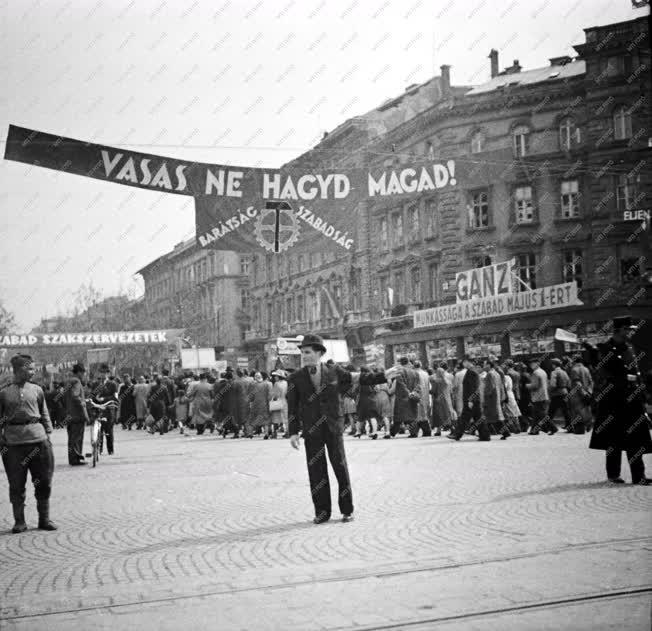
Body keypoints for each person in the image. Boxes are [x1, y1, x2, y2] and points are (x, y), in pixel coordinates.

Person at [287, 333, 390, 524]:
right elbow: (292, 407)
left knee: (340, 468)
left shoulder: (334, 371)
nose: (304, 356)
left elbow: (360, 378)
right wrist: (293, 432)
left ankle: (347, 510)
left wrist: (384, 375)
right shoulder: (295, 378)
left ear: (319, 353)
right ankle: (322, 512)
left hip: (334, 427)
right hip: (312, 431)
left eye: (308, 352)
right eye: (302, 352)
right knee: (316, 471)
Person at [583, 316, 651, 484]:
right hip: (614, 399)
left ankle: (639, 476)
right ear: (619, 330)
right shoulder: (605, 348)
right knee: (614, 439)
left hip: (632, 398)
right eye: (628, 329)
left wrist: (643, 396)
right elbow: (603, 371)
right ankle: (613, 475)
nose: (631, 332)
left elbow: (636, 373)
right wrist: (592, 351)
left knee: (635, 438)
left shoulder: (629, 347)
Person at [0, 355, 57, 533]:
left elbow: (44, 413)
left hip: (39, 441)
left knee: (44, 481)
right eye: (30, 369)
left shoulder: (37, 390)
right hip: (13, 444)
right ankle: (19, 521)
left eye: (34, 368)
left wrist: (48, 434)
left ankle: (44, 519)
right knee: (16, 484)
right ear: (18, 370)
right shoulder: (3, 393)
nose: (33, 372)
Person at [448, 355, 485, 441]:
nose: (463, 364)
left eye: (464, 362)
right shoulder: (472, 370)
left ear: (468, 361)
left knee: (465, 418)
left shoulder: (471, 371)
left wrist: (471, 400)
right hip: (473, 399)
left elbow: (473, 387)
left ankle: (457, 434)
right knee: (477, 418)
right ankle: (484, 435)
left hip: (471, 399)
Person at [64, 363, 90, 465]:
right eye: (83, 373)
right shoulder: (76, 381)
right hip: (77, 415)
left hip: (69, 414)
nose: (83, 375)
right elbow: (75, 396)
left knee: (72, 438)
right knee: (77, 438)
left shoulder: (69, 381)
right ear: (79, 372)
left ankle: (73, 458)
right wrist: (83, 403)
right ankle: (75, 459)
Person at [391, 357, 421, 438]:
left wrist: (408, 393)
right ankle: (414, 432)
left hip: (402, 398)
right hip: (412, 398)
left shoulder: (399, 372)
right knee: (411, 416)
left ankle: (393, 432)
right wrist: (414, 392)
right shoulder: (415, 372)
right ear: (408, 362)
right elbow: (418, 385)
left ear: (400, 363)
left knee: (398, 417)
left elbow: (401, 384)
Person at [526, 357, 556, 435]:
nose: (531, 366)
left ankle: (553, 427)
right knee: (536, 415)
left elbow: (535, 386)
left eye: (532, 364)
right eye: (530, 364)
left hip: (538, 396)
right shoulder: (543, 372)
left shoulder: (535, 373)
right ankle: (534, 430)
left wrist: (527, 386)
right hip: (544, 395)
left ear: (537, 364)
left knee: (541, 414)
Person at [481, 358, 510, 440]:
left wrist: (484, 397)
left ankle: (485, 435)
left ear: (489, 365)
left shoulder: (490, 374)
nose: (483, 366)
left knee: (486, 417)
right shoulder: (496, 373)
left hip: (490, 399)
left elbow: (489, 388)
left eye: (484, 364)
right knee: (496, 417)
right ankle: (505, 432)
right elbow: (501, 386)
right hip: (496, 398)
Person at [569, 355, 593, 434]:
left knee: (577, 412)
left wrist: (583, 393)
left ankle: (580, 430)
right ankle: (588, 422)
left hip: (577, 395)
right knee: (585, 410)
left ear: (574, 360)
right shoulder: (586, 369)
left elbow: (577, 383)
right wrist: (589, 392)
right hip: (586, 393)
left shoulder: (574, 370)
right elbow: (591, 381)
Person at [431, 364, 455, 436]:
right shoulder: (447, 381)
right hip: (447, 399)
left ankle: (451, 429)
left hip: (438, 400)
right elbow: (451, 391)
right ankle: (444, 430)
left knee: (439, 415)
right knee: (447, 414)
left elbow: (433, 391)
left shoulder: (436, 381)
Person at [548, 358, 572, 431]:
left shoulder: (554, 372)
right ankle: (570, 427)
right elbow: (569, 383)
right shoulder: (564, 372)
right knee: (566, 411)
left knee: (550, 412)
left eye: (552, 364)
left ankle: (549, 426)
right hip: (565, 392)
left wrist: (549, 390)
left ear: (554, 365)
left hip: (556, 394)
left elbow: (552, 385)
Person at [356, 366, 379, 439]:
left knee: (360, 417)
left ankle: (358, 432)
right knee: (372, 416)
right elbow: (377, 389)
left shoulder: (360, 379)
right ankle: (375, 432)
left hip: (362, 400)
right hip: (371, 400)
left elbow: (355, 390)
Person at [250, 371, 273, 438]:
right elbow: (270, 395)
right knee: (266, 418)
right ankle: (266, 433)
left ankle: (251, 433)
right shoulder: (268, 384)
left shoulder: (253, 385)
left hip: (256, 404)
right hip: (265, 404)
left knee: (256, 418)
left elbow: (251, 396)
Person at [413, 361, 432, 438]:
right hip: (425, 395)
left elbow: (417, 385)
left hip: (419, 396)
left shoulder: (415, 373)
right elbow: (428, 385)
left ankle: (416, 432)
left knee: (417, 415)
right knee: (423, 414)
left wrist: (414, 394)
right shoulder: (426, 373)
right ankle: (426, 431)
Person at [269, 369, 288, 439]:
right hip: (285, 402)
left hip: (278, 402)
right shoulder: (286, 383)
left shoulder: (277, 384)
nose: (274, 377)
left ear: (279, 376)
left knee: (275, 418)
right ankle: (287, 432)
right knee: (285, 418)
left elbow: (274, 394)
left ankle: (275, 433)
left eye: (276, 376)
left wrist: (272, 399)